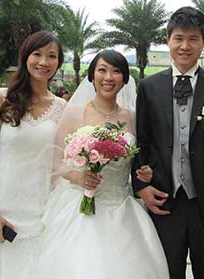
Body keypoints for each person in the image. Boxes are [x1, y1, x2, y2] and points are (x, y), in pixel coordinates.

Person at [33, 49, 169, 278]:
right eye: (102, 70)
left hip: (122, 206)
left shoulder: (132, 117)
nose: (108, 77)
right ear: (92, 76)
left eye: (116, 71)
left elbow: (138, 159)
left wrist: (143, 173)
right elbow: (57, 161)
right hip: (81, 207)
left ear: (124, 79)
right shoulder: (74, 113)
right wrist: (79, 177)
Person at [132, 6, 204, 279]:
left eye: (193, 39)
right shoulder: (148, 87)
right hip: (164, 202)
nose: (185, 46)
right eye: (178, 38)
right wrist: (141, 186)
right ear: (168, 40)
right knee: (165, 273)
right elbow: (140, 142)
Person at [0, 30, 66, 279]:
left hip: (38, 215)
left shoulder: (62, 108)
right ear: (26, 56)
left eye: (52, 56)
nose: (44, 62)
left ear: (59, 62)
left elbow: (61, 165)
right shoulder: (0, 98)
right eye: (37, 54)